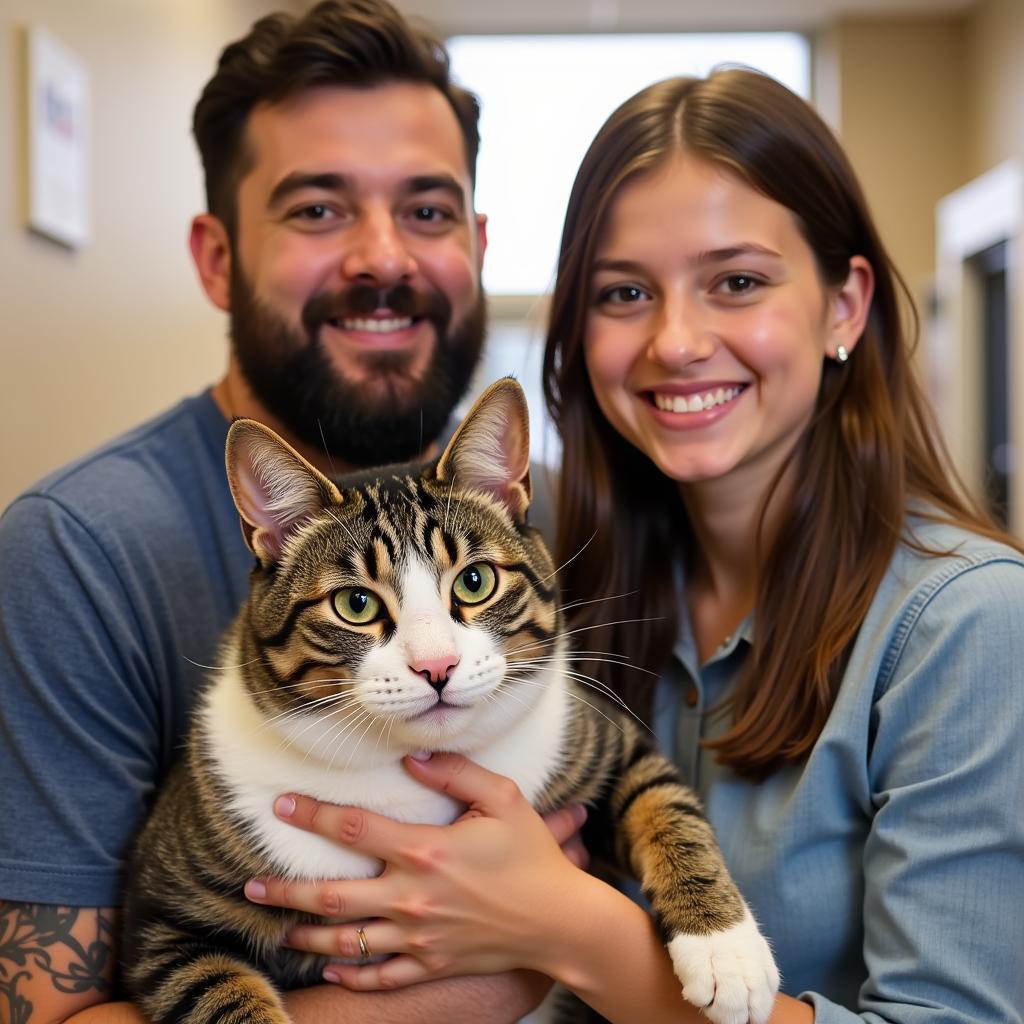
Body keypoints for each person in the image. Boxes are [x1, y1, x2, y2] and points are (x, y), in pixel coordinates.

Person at [239, 69, 1024, 1023]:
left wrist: (573, 932)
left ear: (844, 306)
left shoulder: (972, 624)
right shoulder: (565, 575)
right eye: (624, 293)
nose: (678, 341)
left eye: (737, 281)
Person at [0, 2, 568, 1021]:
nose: (383, 259)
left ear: (478, 245)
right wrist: (505, 974)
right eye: (318, 210)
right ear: (217, 257)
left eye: (429, 212)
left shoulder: (542, 519)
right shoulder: (80, 551)